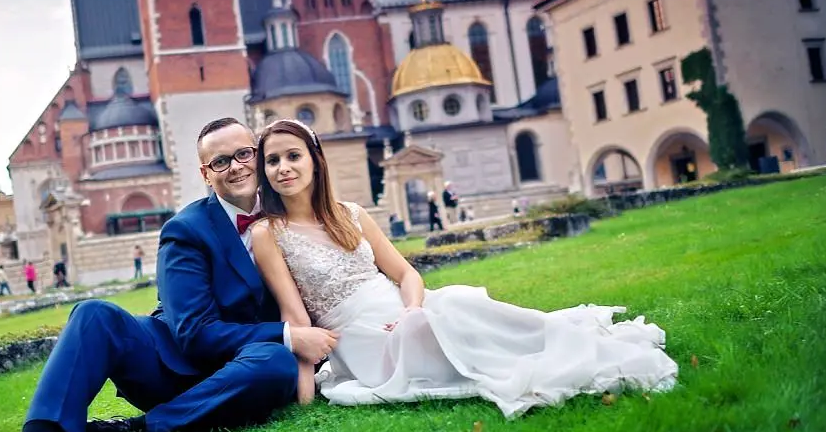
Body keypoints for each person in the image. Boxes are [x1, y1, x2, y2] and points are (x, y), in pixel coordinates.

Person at [0, 117, 340, 432]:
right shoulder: (186, 229)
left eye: (243, 154)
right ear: (205, 174)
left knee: (276, 364)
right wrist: (289, 334)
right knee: (93, 315)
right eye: (219, 162)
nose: (235, 166)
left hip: (248, 373)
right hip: (175, 365)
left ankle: (136, 428)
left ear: (257, 153)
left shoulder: (291, 210)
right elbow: (195, 334)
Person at [248, 119, 679, 416]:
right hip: (362, 339)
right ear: (265, 172)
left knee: (452, 305)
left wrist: (411, 310)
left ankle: (560, 339)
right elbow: (296, 318)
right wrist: (306, 383)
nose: (283, 168)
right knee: (448, 320)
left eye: (293, 156)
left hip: (403, 310)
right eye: (273, 161)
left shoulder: (352, 214)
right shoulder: (270, 233)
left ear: (314, 160)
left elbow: (407, 275)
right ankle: (544, 344)